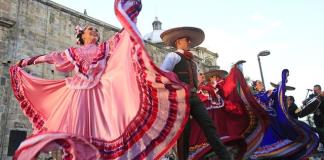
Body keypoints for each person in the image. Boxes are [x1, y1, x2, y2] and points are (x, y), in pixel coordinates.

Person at [10, 1, 190, 159]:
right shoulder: (73, 52)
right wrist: (26, 61)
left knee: (101, 131)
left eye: (95, 30)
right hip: (78, 94)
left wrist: (130, 15)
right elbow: (50, 57)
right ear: (82, 36)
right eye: (90, 30)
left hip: (99, 94)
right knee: (76, 131)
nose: (94, 31)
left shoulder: (105, 48)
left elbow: (123, 36)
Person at [160, 27, 231, 160]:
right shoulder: (173, 56)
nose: (189, 42)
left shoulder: (193, 61)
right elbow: (162, 75)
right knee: (184, 134)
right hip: (182, 100)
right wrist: (176, 88)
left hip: (194, 97)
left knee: (209, 126)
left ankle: (226, 157)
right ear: (178, 42)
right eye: (186, 40)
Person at [250, 71, 319, 160]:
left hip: (275, 122)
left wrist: (282, 82)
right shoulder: (255, 96)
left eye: (261, 82)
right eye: (259, 83)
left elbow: (278, 93)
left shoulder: (269, 93)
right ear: (255, 87)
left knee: (285, 142)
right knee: (268, 147)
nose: (261, 83)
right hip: (265, 124)